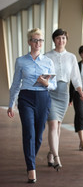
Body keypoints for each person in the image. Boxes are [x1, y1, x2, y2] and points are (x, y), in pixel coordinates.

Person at [7, 28, 57, 183]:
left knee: (38, 136)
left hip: (43, 98)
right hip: (26, 98)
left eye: (40, 40)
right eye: (35, 40)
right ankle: (31, 168)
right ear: (29, 42)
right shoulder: (21, 61)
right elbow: (15, 83)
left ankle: (31, 159)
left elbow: (54, 85)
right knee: (29, 133)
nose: (38, 43)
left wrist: (46, 83)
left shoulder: (48, 61)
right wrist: (11, 104)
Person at [45, 29, 83, 171]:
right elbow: (43, 75)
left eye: (63, 38)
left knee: (58, 126)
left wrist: (80, 91)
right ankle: (56, 157)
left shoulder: (71, 57)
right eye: (58, 38)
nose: (60, 41)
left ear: (66, 40)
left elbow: (75, 76)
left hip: (63, 94)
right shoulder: (47, 56)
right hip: (50, 92)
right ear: (54, 40)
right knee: (53, 125)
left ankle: (51, 152)